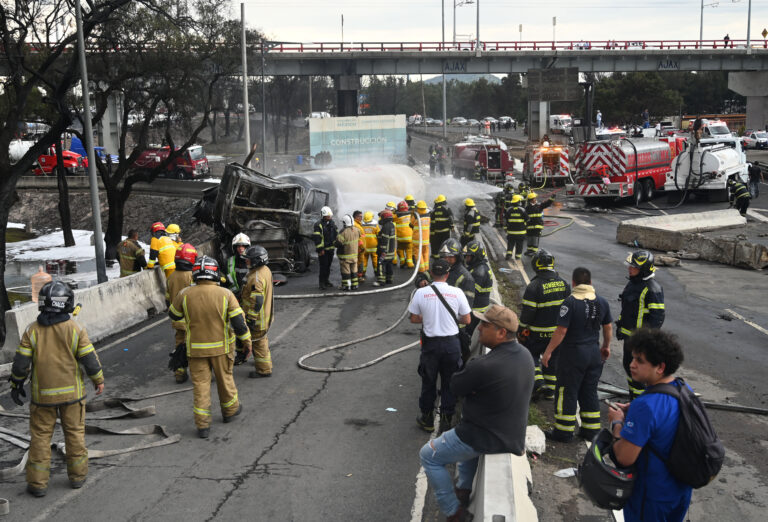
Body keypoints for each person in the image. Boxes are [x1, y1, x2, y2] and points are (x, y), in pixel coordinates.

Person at [419, 304, 534, 522]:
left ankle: (453, 511)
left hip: (483, 435)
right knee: (465, 447)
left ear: (501, 333)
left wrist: (472, 385)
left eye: (485, 325)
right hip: (511, 434)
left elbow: (455, 386)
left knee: (428, 455)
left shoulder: (484, 365)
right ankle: (463, 490)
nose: (479, 328)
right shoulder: (525, 355)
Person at [9, 281, 105, 497]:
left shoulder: (31, 331)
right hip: (73, 397)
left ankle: (37, 484)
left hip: (42, 399)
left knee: (40, 438)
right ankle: (78, 477)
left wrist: (16, 383)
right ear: (67, 304)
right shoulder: (75, 329)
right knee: (75, 435)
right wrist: (98, 379)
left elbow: (21, 364)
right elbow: (89, 359)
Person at [608, 328, 693, 522]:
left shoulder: (645, 405)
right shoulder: (683, 388)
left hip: (652, 496)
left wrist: (617, 423)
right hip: (680, 490)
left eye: (640, 360)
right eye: (632, 358)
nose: (632, 364)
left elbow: (624, 457)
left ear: (660, 367)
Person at [168, 256, 251, 438]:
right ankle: (230, 411)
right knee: (225, 380)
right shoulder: (226, 294)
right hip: (221, 349)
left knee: (201, 386)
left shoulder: (184, 294)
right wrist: (247, 343)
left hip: (195, 350)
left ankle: (203, 425)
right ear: (215, 273)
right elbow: (239, 323)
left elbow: (173, 314)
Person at [541, 267, 613, 442]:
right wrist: (606, 346)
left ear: (573, 283)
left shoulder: (570, 302)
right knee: (589, 390)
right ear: (590, 282)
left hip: (573, 354)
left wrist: (548, 352)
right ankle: (591, 430)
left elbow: (561, 331)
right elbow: (608, 327)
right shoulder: (602, 302)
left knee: (567, 391)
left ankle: (563, 431)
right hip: (594, 353)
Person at [408, 259, 472, 433]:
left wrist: (429, 317)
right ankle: (445, 420)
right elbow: (467, 319)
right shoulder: (457, 292)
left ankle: (427, 419)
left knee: (428, 382)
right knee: (449, 382)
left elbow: (413, 318)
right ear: (447, 274)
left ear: (431, 274)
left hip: (431, 346)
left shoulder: (421, 293)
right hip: (451, 345)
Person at [518, 249, 570, 399]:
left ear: (536, 265)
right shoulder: (564, 284)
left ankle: (539, 384)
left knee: (530, 355)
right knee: (552, 361)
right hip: (557, 334)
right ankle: (550, 392)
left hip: (537, 333)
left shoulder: (534, 286)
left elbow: (528, 313)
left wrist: (521, 329)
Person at [617, 250, 665, 400]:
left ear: (644, 269)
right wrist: (620, 325)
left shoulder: (652, 289)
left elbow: (657, 318)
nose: (630, 269)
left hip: (640, 341)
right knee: (629, 367)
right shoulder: (633, 284)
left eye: (634, 267)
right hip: (629, 339)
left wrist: (646, 340)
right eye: (630, 266)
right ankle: (634, 398)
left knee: (639, 372)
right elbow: (626, 308)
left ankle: (640, 401)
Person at [240, 246, 274, 378]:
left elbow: (257, 300)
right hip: (265, 316)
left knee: (259, 343)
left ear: (256, 261)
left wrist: (251, 318)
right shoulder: (265, 270)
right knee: (261, 341)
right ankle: (264, 365)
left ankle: (264, 370)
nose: (246, 261)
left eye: (248, 259)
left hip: (258, 319)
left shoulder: (256, 278)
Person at [166, 243, 197, 383]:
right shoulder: (192, 276)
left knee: (179, 346)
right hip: (193, 320)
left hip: (178, 320)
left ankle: (179, 373)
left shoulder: (171, 277)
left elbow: (168, 300)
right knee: (196, 346)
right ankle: (200, 373)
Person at [462, 239, 492, 333]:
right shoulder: (477, 267)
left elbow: (471, 291)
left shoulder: (479, 272)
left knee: (468, 333)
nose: (466, 258)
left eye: (469, 256)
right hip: (475, 308)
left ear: (476, 256)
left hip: (476, 311)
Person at [335, 214, 364, 290]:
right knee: (354, 270)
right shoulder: (357, 230)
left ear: (345, 222)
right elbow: (359, 239)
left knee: (346, 271)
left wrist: (334, 242)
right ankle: (355, 285)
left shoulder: (343, 232)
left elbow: (338, 243)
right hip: (354, 256)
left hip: (345, 256)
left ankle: (347, 285)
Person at [312, 206, 338, 290]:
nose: (330, 217)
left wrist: (337, 244)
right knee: (323, 266)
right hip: (323, 250)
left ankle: (326, 281)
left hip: (331, 249)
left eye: (330, 215)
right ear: (323, 215)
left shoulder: (332, 223)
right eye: (328, 215)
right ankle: (321, 283)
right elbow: (317, 238)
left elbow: (336, 234)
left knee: (328, 266)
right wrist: (320, 249)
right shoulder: (318, 225)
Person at [524, 191, 555, 256]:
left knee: (535, 239)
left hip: (537, 226)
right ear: (531, 200)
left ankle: (534, 252)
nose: (536, 199)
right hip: (529, 226)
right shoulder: (527, 208)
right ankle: (529, 250)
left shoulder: (539, 205)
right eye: (534, 198)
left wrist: (552, 198)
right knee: (529, 239)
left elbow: (547, 204)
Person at [374, 209, 397, 286]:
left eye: (381, 217)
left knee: (381, 264)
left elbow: (384, 240)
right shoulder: (391, 225)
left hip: (385, 252)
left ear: (384, 217)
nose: (381, 219)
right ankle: (389, 279)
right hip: (391, 251)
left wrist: (383, 251)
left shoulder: (386, 227)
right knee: (389, 265)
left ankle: (381, 281)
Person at [226, 233, 251, 299]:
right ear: (235, 248)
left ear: (247, 247)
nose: (241, 248)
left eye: (243, 246)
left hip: (248, 294)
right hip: (234, 295)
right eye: (238, 246)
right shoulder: (230, 260)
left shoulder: (252, 261)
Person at [430, 194, 454, 260]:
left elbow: (432, 222)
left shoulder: (434, 210)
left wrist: (432, 232)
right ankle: (444, 257)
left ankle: (436, 257)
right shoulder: (447, 209)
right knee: (445, 245)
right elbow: (451, 218)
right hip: (445, 232)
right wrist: (452, 226)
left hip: (436, 232)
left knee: (436, 244)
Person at [504, 194, 528, 260]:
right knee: (519, 244)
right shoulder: (522, 210)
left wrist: (505, 228)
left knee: (510, 243)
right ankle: (518, 256)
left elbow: (505, 220)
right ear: (519, 202)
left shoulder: (509, 210)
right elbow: (527, 219)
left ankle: (509, 254)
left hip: (511, 232)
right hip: (521, 232)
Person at [410, 200, 431, 272]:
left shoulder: (416, 216)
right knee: (425, 253)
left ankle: (421, 269)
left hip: (417, 239)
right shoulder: (428, 215)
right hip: (426, 239)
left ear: (418, 208)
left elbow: (411, 224)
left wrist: (412, 214)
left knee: (418, 254)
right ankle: (426, 268)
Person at [395, 200, 414, 269]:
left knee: (400, 250)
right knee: (409, 250)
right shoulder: (411, 215)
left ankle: (402, 262)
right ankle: (410, 264)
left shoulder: (396, 216)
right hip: (409, 238)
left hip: (400, 239)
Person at [360, 211, 379, 281]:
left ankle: (363, 272)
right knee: (375, 259)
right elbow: (378, 234)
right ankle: (376, 271)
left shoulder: (361, 225)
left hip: (364, 246)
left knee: (364, 259)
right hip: (373, 246)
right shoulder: (375, 225)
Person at [352, 210, 367, 282]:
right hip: (359, 248)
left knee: (360, 262)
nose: (361, 218)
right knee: (358, 263)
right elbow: (357, 238)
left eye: (361, 216)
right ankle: (357, 277)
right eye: (360, 216)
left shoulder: (358, 224)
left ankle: (358, 276)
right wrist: (361, 246)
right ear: (356, 217)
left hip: (360, 248)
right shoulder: (355, 225)